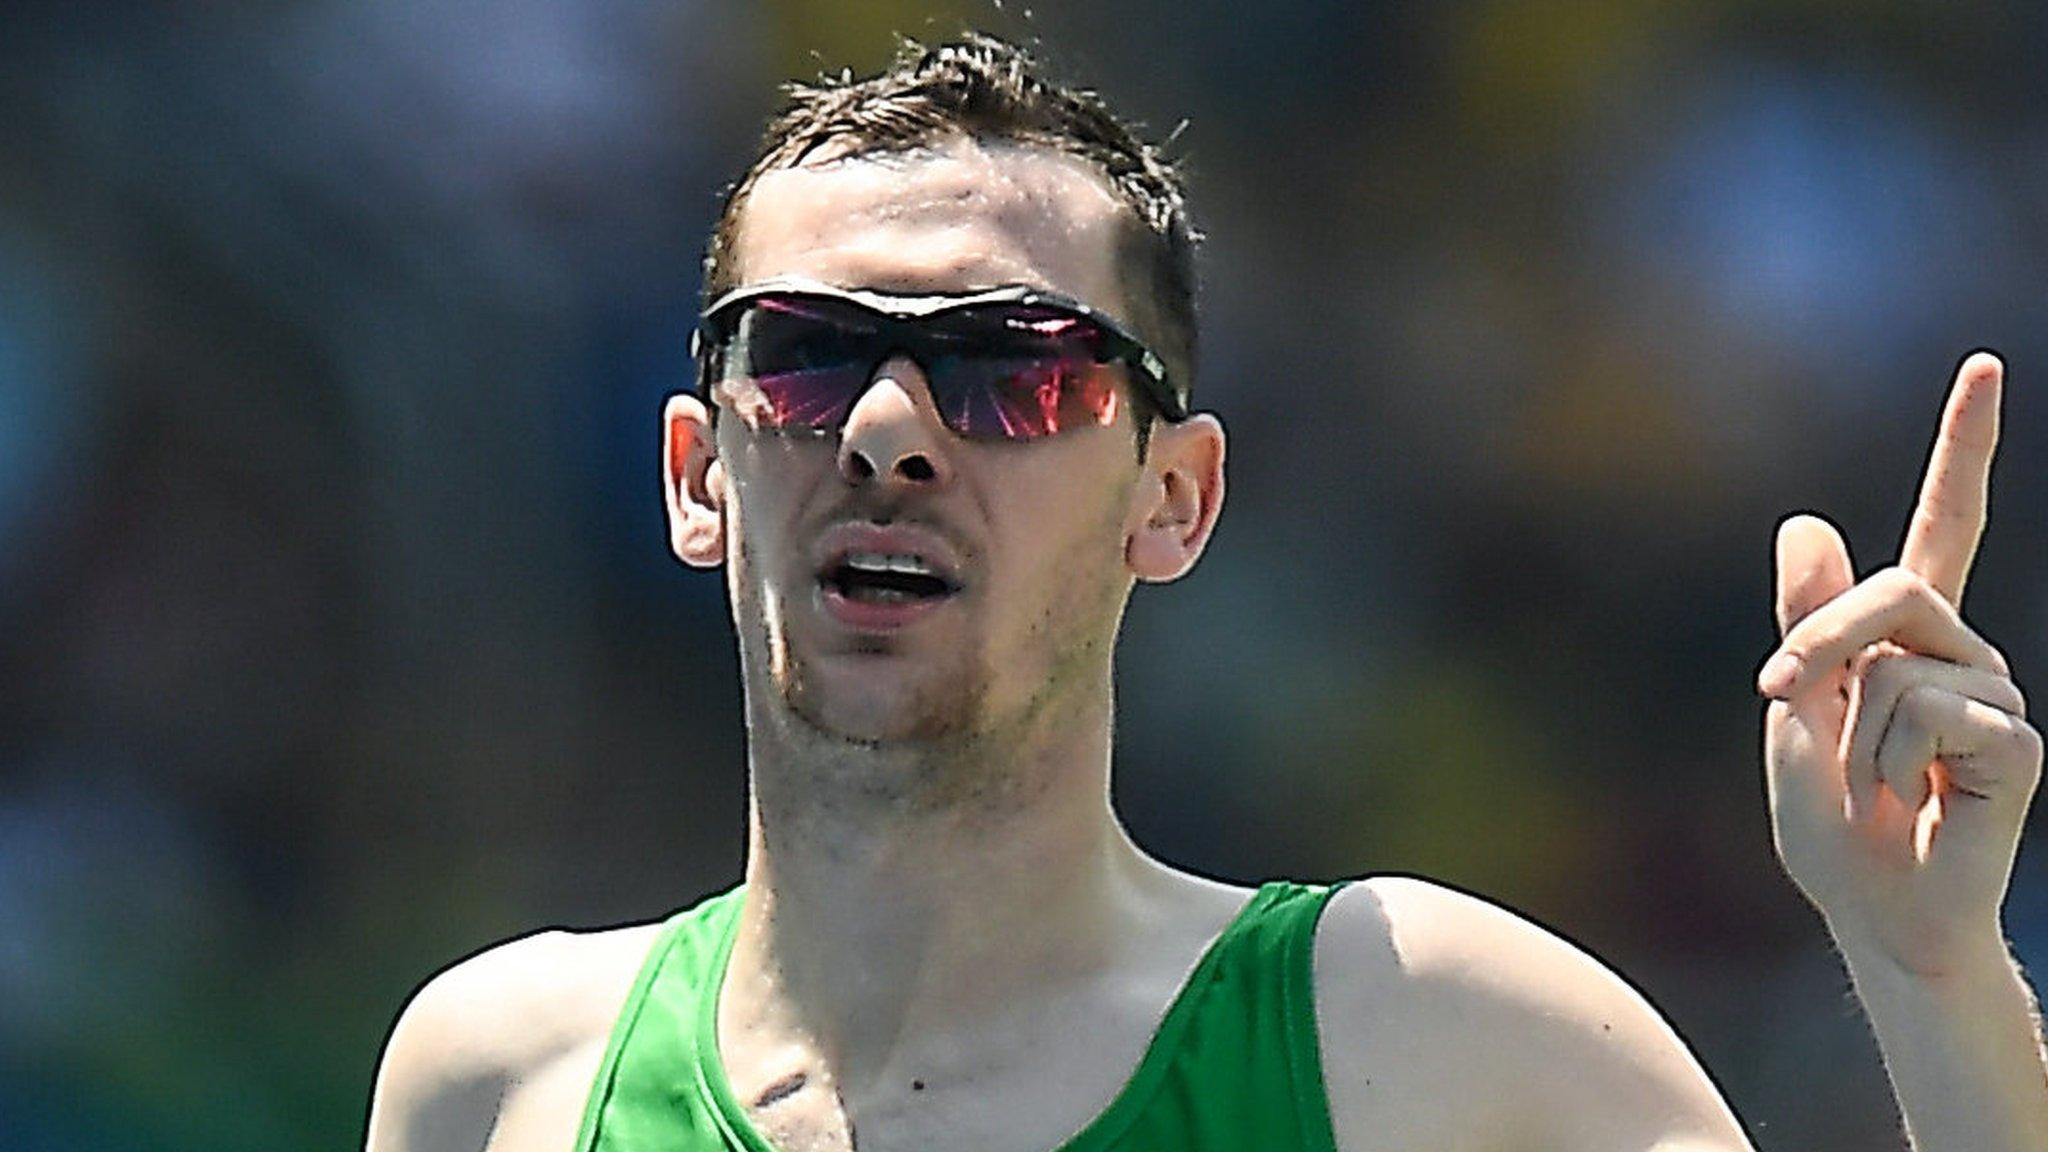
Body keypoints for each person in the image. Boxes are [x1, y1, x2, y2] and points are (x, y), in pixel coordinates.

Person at [364, 35, 2047, 1152]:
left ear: (1174, 501)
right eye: (804, 360)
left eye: (1013, 370)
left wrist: (1929, 974)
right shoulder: (503, 1081)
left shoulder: (1416, 1039)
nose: (885, 430)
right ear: (695, 474)